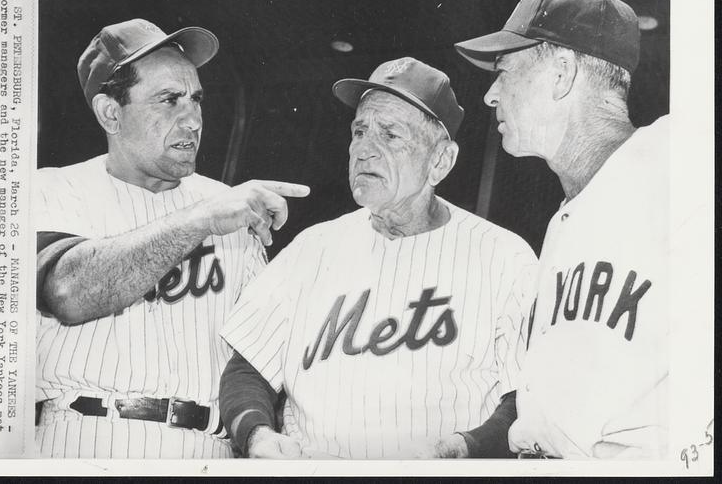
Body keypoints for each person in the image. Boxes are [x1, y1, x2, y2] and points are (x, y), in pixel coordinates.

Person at [218, 57, 539, 459]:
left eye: (390, 135)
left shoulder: (503, 257)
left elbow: (524, 400)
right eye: (360, 130)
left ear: (441, 160)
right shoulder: (312, 248)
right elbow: (247, 370)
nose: (365, 150)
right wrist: (257, 434)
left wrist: (464, 447)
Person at [34, 18, 309, 458]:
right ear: (111, 112)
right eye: (169, 100)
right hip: (87, 439)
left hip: (210, 450)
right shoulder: (51, 189)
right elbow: (68, 291)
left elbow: (258, 360)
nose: (193, 119)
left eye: (196, 99)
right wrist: (199, 219)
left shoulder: (227, 205)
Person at [454, 0, 668, 459]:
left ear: (562, 73)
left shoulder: (678, 165)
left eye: (504, 71)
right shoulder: (564, 220)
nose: (490, 95)